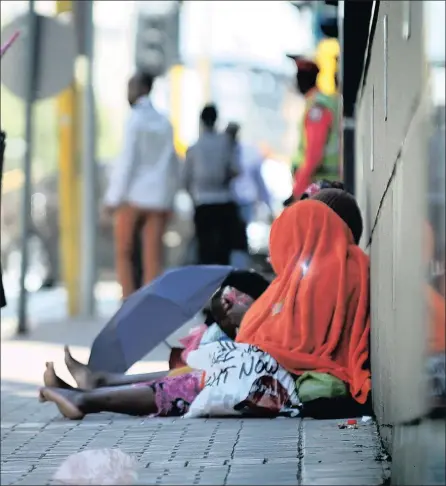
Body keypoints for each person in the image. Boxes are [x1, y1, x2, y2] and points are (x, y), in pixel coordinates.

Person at [39, 189, 370, 419]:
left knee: (193, 383)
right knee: (200, 371)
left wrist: (250, 324)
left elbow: (304, 338)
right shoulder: (331, 267)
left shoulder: (335, 269)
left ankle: (89, 399)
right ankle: (98, 386)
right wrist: (248, 322)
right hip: (276, 366)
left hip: (286, 377)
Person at [104, 72, 180, 299]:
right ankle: (149, 303)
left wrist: (112, 199)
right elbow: (172, 165)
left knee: (124, 252)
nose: (127, 93)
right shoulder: (165, 121)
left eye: (130, 87)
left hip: (133, 198)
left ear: (141, 88)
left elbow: (127, 161)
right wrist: (169, 199)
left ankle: (128, 300)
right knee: (152, 258)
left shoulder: (134, 119)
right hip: (158, 200)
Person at [184, 105, 241, 265]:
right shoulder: (225, 143)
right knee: (223, 252)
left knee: (204, 252)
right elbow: (235, 170)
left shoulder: (194, 147)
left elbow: (186, 178)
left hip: (202, 202)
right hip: (223, 201)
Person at [287, 55, 340, 202]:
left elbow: (314, 152)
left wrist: (298, 190)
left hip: (323, 185)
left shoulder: (317, 107)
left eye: (298, 76)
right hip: (327, 184)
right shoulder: (322, 102)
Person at [225, 122, 274, 225]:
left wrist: (268, 203)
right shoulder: (222, 151)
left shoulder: (249, 152)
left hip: (245, 201)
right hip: (226, 201)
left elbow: (259, 179)